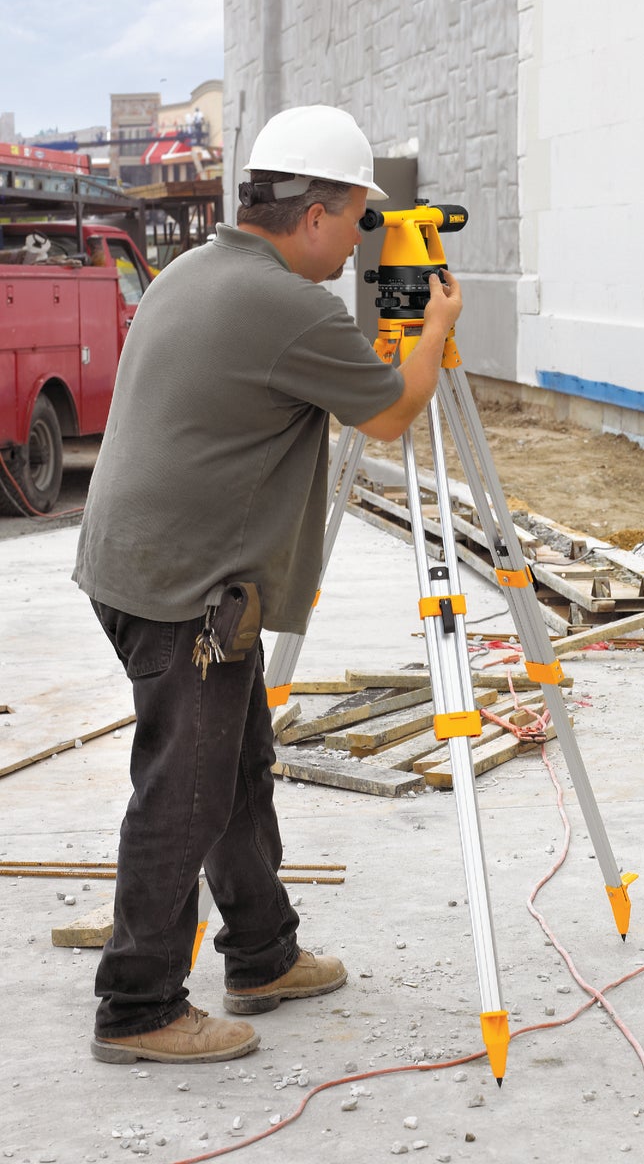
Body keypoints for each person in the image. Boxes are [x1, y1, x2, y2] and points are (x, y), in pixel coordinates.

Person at [72, 105, 463, 1065]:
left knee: (234, 771)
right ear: (319, 213)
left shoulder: (197, 269)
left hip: (136, 567)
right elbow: (392, 414)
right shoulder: (289, 307)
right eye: (359, 221)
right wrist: (437, 323)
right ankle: (139, 1006)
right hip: (185, 590)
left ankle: (262, 953)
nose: (357, 246)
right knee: (185, 791)